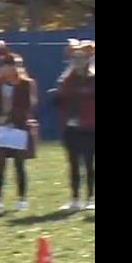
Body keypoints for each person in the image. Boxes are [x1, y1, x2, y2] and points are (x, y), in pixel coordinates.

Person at [0, 43, 38, 213]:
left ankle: (22, 199)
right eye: (8, 65)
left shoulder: (26, 84)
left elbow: (28, 105)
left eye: (15, 65)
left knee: (19, 165)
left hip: (19, 127)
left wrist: (9, 116)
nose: (12, 69)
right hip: (0, 129)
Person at [50, 40, 95, 211]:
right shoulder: (67, 80)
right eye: (75, 59)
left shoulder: (93, 79)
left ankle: (91, 198)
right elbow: (61, 101)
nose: (78, 62)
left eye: (81, 58)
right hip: (71, 127)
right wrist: (57, 98)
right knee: (74, 163)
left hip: (90, 128)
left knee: (89, 163)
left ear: (88, 60)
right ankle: (75, 198)